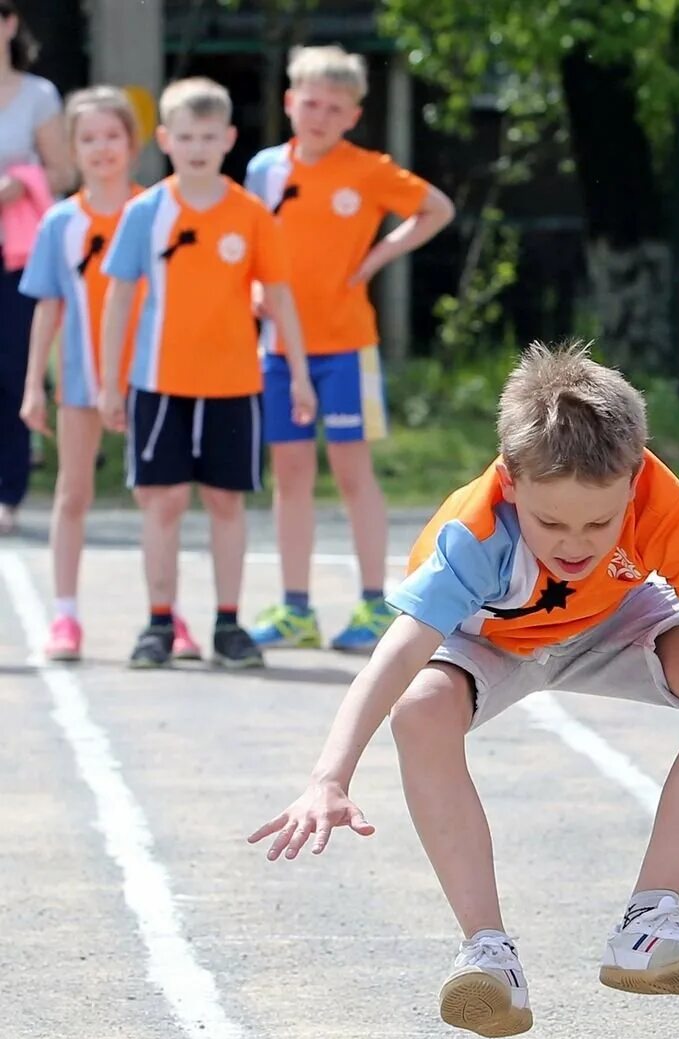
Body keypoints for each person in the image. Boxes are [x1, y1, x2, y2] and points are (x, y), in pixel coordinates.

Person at [249, 341, 679, 1038]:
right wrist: (328, 777)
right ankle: (487, 953)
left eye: (599, 523)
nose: (575, 544)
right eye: (551, 523)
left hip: (613, 616)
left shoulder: (659, 501)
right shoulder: (477, 532)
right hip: (490, 637)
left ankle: (649, 922)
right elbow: (393, 659)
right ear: (512, 482)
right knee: (420, 708)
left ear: (635, 477)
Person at [97, 77, 315, 669]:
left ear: (229, 140)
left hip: (234, 386)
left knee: (225, 502)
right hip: (158, 384)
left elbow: (281, 297)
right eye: (186, 136)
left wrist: (298, 373)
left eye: (209, 137)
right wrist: (107, 382)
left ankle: (228, 623)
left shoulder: (250, 215)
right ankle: (158, 623)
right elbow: (118, 299)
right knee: (162, 502)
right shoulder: (146, 211)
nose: (197, 147)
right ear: (165, 139)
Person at [243, 45, 454, 653]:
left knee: (352, 472)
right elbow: (256, 240)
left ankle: (372, 604)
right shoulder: (264, 170)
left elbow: (436, 209)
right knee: (290, 475)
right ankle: (295, 609)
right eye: (310, 102)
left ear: (353, 116)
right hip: (281, 348)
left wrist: (376, 258)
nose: (319, 115)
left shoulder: (367, 170)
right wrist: (257, 287)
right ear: (289, 102)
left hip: (345, 347)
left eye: (334, 108)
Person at [19, 87, 201, 660]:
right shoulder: (59, 222)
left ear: (134, 143)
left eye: (112, 136)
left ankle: (168, 616)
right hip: (81, 379)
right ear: (72, 148)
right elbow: (47, 307)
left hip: (153, 376)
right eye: (88, 138)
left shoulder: (158, 210)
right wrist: (33, 385)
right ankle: (66, 617)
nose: (102, 148)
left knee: (163, 501)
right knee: (73, 493)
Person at [0, 0, 69, 534]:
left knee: (10, 372)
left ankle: (9, 494)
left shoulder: (38, 95)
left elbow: (64, 173)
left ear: (10, 23)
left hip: (15, 256)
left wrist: (22, 181)